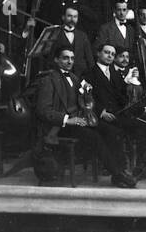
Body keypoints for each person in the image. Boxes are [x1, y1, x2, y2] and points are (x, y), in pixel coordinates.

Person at [33, 45, 136, 188]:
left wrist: (87, 93)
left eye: (72, 58)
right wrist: (67, 120)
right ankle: (118, 173)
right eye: (65, 58)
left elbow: (84, 100)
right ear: (56, 60)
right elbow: (43, 110)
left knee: (111, 131)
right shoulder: (48, 79)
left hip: (79, 119)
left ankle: (120, 172)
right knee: (93, 137)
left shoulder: (75, 78)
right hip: (60, 125)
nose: (70, 62)